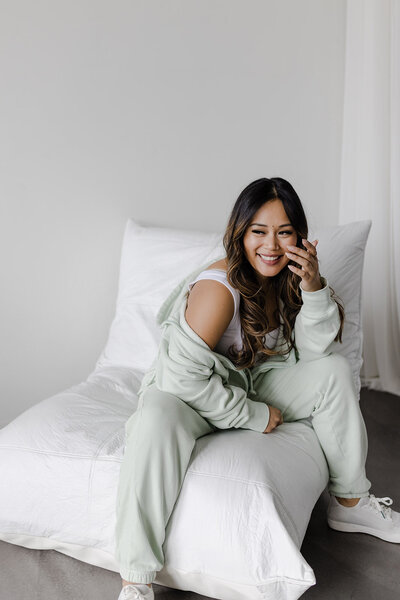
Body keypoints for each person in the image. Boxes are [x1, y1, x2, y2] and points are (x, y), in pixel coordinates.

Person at [114, 177, 400, 600]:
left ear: (299, 237)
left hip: (250, 382)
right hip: (190, 395)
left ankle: (350, 504)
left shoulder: (285, 279)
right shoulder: (218, 288)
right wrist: (252, 415)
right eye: (258, 231)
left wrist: (312, 286)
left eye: (284, 232)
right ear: (239, 234)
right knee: (154, 421)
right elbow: (182, 378)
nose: (271, 244)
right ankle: (136, 580)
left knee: (335, 371)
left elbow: (315, 352)